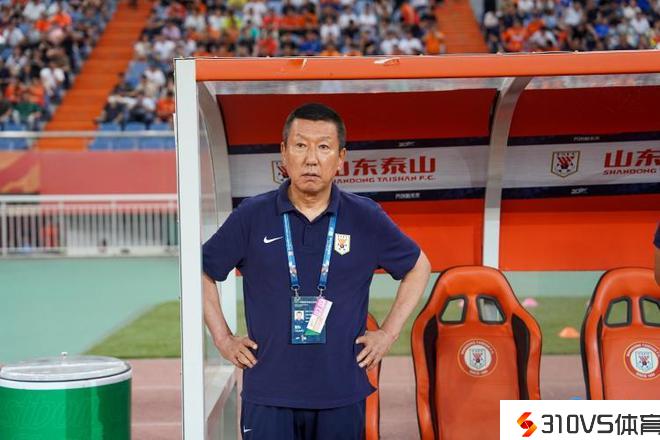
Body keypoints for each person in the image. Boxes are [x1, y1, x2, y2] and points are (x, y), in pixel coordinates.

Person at [202, 103, 431, 439]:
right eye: (300, 145)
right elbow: (202, 272)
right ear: (283, 153)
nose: (311, 159)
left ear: (340, 158)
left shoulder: (365, 217)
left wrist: (388, 333)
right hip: (268, 393)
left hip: (341, 393)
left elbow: (418, 266)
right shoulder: (251, 215)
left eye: (323, 147)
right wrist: (222, 338)